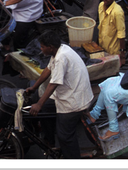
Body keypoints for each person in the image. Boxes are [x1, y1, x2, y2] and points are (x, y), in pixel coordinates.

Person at [25, 31, 94, 159]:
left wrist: (39, 103)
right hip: (69, 92)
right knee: (45, 109)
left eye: (42, 47)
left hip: (75, 99)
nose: (41, 49)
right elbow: (48, 70)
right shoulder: (59, 50)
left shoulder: (62, 57)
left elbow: (53, 83)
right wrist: (34, 88)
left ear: (50, 47)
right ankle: (49, 142)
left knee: (65, 136)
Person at [97, 0, 126, 64]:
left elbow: (121, 34)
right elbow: (100, 27)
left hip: (113, 51)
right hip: (102, 47)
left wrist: (122, 55)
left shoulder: (117, 12)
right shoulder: (100, 5)